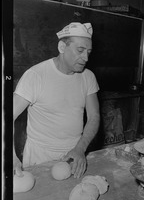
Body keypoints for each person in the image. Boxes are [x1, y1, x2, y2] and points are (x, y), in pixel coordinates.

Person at [13, 22, 100, 179]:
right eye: (80, 50)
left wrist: (80, 149)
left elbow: (94, 117)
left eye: (89, 52)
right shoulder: (36, 76)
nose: (86, 58)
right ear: (62, 47)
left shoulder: (88, 77)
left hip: (74, 155)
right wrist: (10, 157)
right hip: (39, 157)